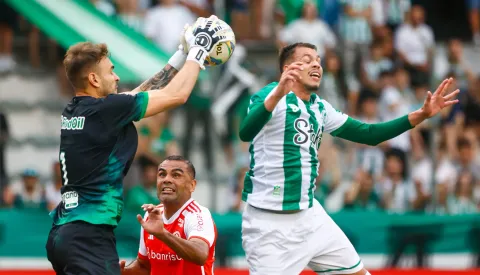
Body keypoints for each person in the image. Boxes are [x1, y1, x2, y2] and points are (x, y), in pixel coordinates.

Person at [238, 42, 459, 275]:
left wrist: (420, 115)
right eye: (306, 59)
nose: (316, 64)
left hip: (310, 216)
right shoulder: (268, 96)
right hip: (269, 225)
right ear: (287, 68)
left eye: (318, 60)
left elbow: (369, 134)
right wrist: (278, 93)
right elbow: (245, 132)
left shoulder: (320, 108)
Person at [45, 15, 231, 274]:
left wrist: (180, 55)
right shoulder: (106, 110)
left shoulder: (75, 110)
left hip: (64, 232)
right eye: (111, 71)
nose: (117, 76)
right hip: (89, 235)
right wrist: (199, 52)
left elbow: (141, 94)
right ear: (94, 80)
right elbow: (177, 95)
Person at [120, 155, 216, 275]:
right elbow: (144, 266)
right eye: (162, 174)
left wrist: (163, 234)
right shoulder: (151, 215)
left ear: (192, 185)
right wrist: (123, 271)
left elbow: (200, 255)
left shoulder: (198, 214)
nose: (167, 179)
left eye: (176, 175)